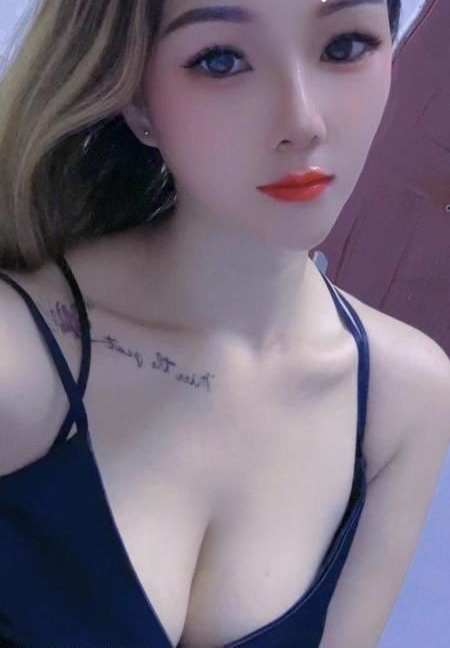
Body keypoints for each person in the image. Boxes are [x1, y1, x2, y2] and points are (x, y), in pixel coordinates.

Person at [0, 1, 449, 647]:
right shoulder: (20, 354)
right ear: (137, 100)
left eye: (346, 46)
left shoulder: (403, 398)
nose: (303, 121)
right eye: (221, 60)